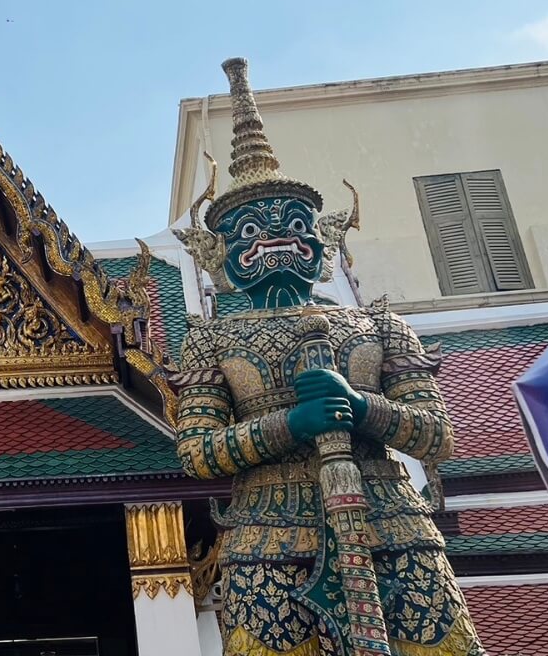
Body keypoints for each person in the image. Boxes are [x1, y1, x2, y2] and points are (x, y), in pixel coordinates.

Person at [171, 60, 484, 655]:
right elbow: (197, 451)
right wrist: (291, 424)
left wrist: (362, 408)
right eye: (250, 230)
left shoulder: (378, 324)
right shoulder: (212, 339)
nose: (277, 237)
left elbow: (438, 437)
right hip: (267, 535)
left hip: (392, 520)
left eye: (294, 223)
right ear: (217, 253)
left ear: (323, 239)